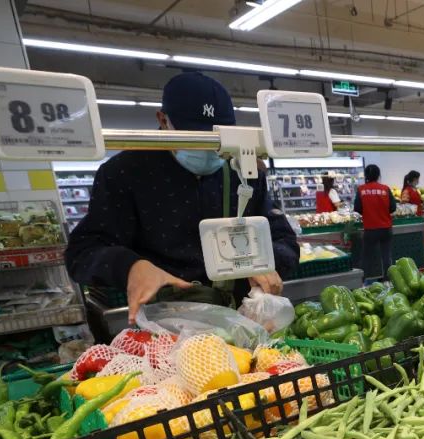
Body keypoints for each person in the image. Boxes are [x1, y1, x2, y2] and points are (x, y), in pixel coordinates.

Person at [65, 71, 298, 324]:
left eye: (217, 138)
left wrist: (268, 261)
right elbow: (83, 251)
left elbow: (283, 238)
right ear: (163, 120)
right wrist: (129, 266)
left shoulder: (244, 169)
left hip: (244, 319)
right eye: (195, 136)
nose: (209, 148)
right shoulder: (123, 173)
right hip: (164, 328)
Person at [354, 164, 396, 278]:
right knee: (386, 257)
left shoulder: (361, 190)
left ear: (366, 175)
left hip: (370, 228)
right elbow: (393, 208)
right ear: (378, 175)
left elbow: (357, 208)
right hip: (386, 228)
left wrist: (368, 212)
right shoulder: (385, 189)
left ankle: (363, 281)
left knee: (366, 257)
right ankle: (389, 281)